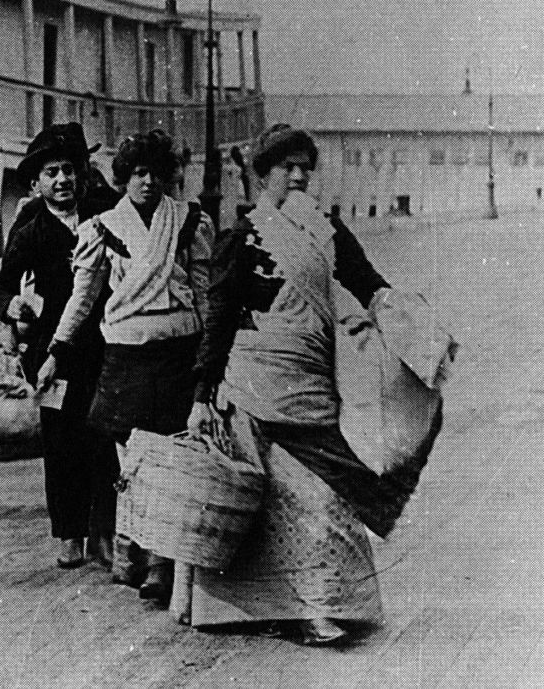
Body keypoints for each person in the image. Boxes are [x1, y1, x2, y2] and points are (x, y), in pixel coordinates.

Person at [186, 124, 437, 646]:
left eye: (305, 167)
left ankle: (325, 604)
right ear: (261, 176)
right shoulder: (243, 237)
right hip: (256, 388)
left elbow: (368, 284)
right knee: (277, 502)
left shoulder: (329, 232)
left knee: (328, 498)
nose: (298, 176)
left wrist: (409, 326)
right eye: (286, 167)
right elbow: (220, 319)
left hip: (313, 384)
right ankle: (292, 610)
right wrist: (201, 394)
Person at [37, 130, 214, 604]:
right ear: (123, 178)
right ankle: (127, 547)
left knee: (170, 457)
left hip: (177, 352)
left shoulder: (190, 221)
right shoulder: (100, 229)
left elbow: (202, 292)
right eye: (138, 173)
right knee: (129, 458)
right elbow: (83, 297)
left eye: (157, 173)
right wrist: (57, 349)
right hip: (126, 356)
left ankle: (160, 560)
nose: (148, 182)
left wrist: (211, 358)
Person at [0, 122, 119, 570]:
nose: (61, 180)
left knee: (103, 438)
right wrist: (13, 307)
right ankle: (69, 533)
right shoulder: (32, 231)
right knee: (62, 443)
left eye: (68, 170)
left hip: (103, 345)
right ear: (36, 183)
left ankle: (105, 533)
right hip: (51, 357)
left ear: (81, 173)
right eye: (51, 173)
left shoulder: (106, 216)